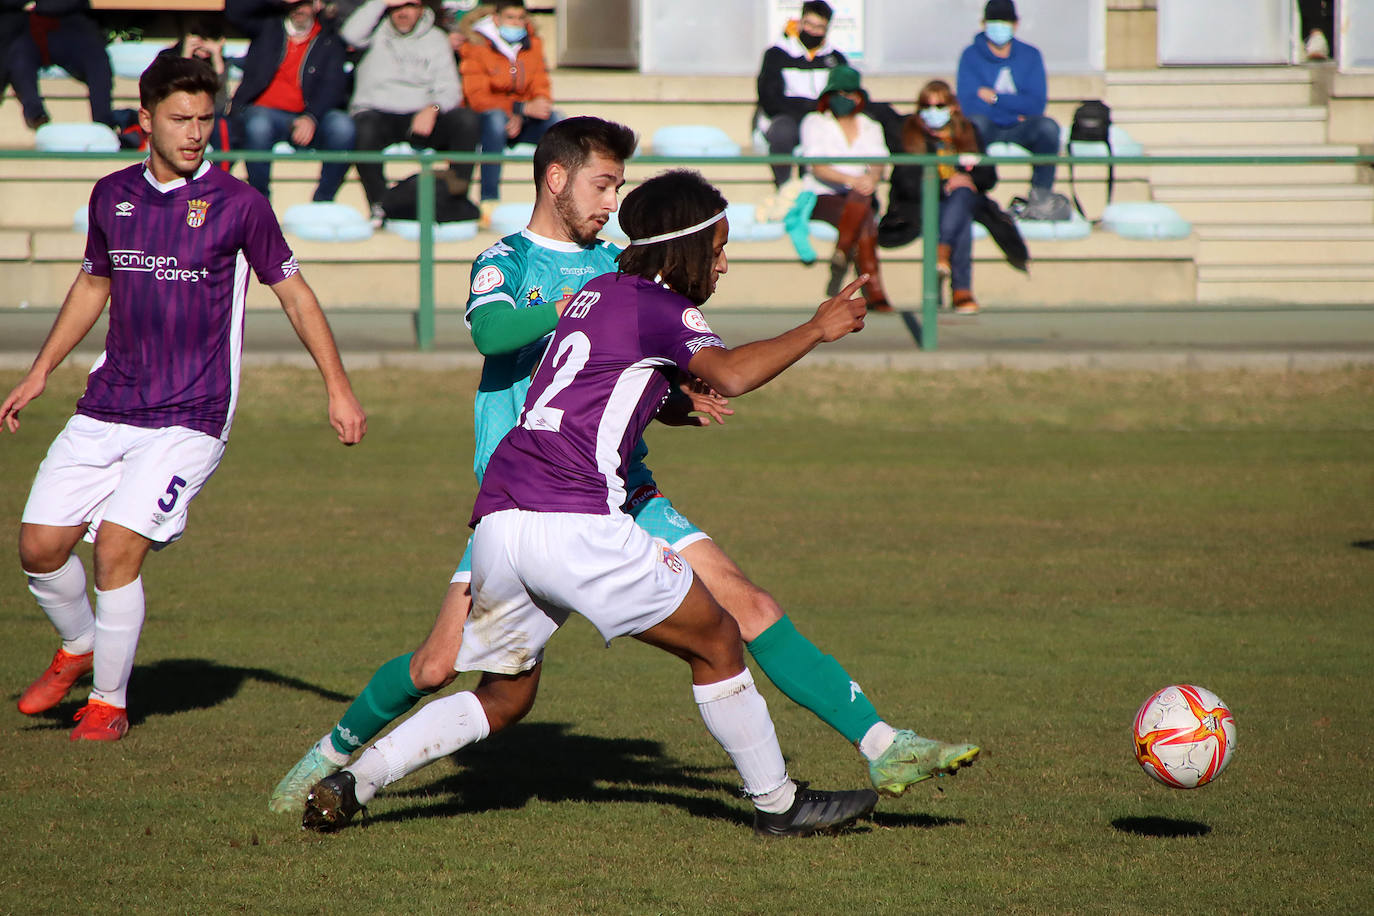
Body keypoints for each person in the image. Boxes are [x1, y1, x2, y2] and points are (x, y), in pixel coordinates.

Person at [270, 115, 980, 824]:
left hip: (537, 501)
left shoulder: (608, 278)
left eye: (619, 187)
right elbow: (511, 334)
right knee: (692, 639)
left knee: (707, 616)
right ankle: (779, 803)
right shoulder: (533, 267)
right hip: (572, 502)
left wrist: (667, 398)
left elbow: (604, 376)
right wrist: (816, 328)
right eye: (602, 182)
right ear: (558, 179)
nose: (612, 199)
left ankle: (884, 743)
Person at [2, 55, 368, 742]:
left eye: (205, 118)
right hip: (107, 404)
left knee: (116, 548)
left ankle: (108, 703)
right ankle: (80, 645)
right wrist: (41, 371)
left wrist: (338, 388)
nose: (196, 132)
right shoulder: (111, 195)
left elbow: (293, 291)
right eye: (180, 119)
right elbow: (92, 285)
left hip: (191, 415)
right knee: (39, 548)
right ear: (144, 119)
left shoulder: (239, 204)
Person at [882, 79, 1027, 317]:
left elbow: (988, 176)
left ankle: (943, 251)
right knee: (960, 217)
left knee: (961, 198)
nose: (933, 112)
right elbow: (907, 181)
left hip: (966, 197)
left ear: (952, 107)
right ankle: (962, 290)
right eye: (927, 106)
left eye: (940, 106)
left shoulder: (968, 131)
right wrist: (944, 185)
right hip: (924, 199)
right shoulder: (908, 132)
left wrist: (967, 180)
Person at [341, 0, 482, 227]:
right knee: (364, 127)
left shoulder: (436, 39)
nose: (402, 12)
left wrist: (433, 108)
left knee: (465, 121)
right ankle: (380, 205)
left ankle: (455, 195)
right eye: (396, 6)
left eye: (409, 5)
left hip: (422, 116)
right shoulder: (373, 33)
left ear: (421, 9)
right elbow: (349, 34)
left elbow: (450, 90)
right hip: (378, 114)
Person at [226, 0, 356, 203]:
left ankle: (323, 199)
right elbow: (234, 10)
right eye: (295, 3)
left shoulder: (329, 38)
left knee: (343, 127)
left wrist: (312, 117)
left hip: (310, 116)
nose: (299, 8)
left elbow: (334, 86)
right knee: (258, 125)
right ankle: (261, 200)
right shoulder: (267, 26)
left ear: (317, 5)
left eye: (305, 3)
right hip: (265, 113)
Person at [796, 65, 892, 312]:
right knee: (866, 216)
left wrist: (872, 178)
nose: (844, 98)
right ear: (828, 95)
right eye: (838, 92)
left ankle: (842, 250)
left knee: (863, 206)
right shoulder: (814, 122)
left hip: (860, 195)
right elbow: (817, 167)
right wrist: (854, 180)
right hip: (823, 195)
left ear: (859, 96)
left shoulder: (870, 125)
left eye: (849, 92)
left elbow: (879, 162)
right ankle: (876, 293)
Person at [460, 0, 561, 218]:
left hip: (521, 119)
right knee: (496, 119)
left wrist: (529, 109)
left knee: (557, 124)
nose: (516, 23)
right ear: (496, 19)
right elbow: (476, 96)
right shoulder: (475, 45)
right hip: (486, 120)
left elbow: (541, 86)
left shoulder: (533, 44)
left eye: (520, 18)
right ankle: (489, 199)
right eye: (510, 18)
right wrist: (518, 108)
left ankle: (558, 199)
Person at [956, 0, 1060, 209]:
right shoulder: (970, 56)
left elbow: (1036, 104)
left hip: (1020, 126)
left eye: (1005, 22)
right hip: (989, 126)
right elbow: (969, 105)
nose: (999, 27)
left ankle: (1040, 198)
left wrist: (995, 98)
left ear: (1016, 24)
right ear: (984, 24)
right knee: (975, 125)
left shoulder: (1031, 55)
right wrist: (1014, 111)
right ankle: (975, 193)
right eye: (994, 22)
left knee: (1048, 128)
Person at [755, 0, 849, 189]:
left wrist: (819, 112)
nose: (812, 31)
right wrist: (804, 109)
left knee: (820, 132)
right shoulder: (777, 54)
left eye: (819, 27)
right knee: (783, 131)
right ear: (800, 22)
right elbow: (769, 97)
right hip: (786, 117)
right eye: (808, 24)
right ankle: (785, 188)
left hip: (821, 117)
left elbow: (843, 93)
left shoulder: (835, 59)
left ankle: (813, 188)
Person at [5, 0, 115, 130]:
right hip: (30, 25)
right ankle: (36, 115)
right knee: (19, 56)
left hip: (73, 24)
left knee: (97, 59)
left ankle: (104, 124)